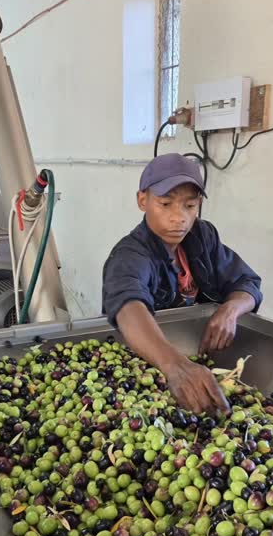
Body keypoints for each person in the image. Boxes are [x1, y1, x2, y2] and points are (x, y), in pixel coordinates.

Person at [102, 153, 263, 414]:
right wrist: (175, 367)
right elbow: (127, 306)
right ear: (143, 200)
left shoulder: (202, 236)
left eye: (189, 206)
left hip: (192, 358)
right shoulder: (130, 255)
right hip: (147, 363)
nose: (179, 218)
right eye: (165, 204)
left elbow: (247, 283)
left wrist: (230, 310)